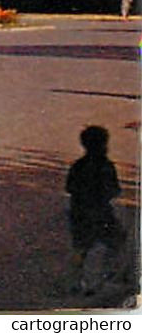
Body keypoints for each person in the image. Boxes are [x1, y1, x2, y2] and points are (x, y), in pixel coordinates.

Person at [65, 125, 126, 294]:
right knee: (116, 240)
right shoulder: (106, 166)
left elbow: (69, 187)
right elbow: (113, 190)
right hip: (100, 213)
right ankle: (105, 277)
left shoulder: (78, 165)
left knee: (81, 247)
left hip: (79, 212)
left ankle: (77, 281)